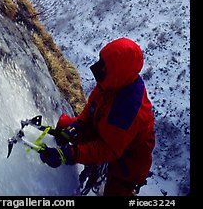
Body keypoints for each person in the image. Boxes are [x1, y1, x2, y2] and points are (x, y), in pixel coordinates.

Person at [40, 37, 155, 196]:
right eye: (101, 61)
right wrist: (77, 126)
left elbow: (107, 149)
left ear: (117, 71)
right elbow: (92, 108)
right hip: (107, 134)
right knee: (65, 124)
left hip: (128, 163)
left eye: (104, 65)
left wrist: (69, 155)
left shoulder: (128, 109)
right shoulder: (112, 81)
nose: (97, 67)